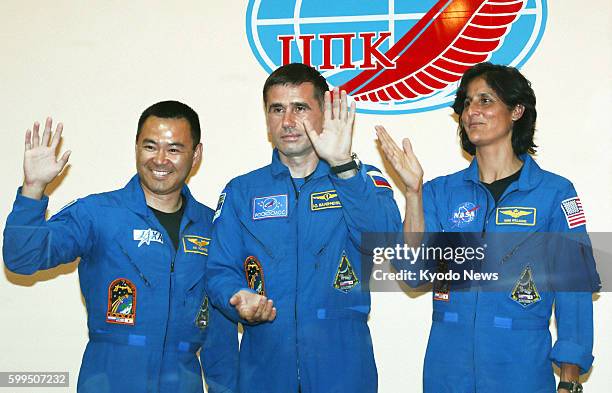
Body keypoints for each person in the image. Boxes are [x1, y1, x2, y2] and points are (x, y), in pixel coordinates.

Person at [376, 63, 599, 393]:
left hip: (521, 367)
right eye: (467, 103)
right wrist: (412, 193)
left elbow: (574, 289)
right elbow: (413, 271)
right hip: (447, 369)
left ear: (517, 111)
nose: (472, 112)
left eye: (485, 100)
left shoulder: (553, 193)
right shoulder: (440, 192)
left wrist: (568, 382)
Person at [3, 101, 238, 393]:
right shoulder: (97, 213)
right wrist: (33, 189)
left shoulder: (213, 227)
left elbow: (220, 337)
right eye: (150, 146)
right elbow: (22, 258)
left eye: (174, 149)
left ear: (196, 154)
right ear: (136, 147)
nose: (160, 159)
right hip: (109, 380)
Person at [205, 63, 401, 393]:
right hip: (264, 371)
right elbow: (219, 270)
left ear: (323, 113)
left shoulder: (361, 180)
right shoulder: (242, 191)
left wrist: (343, 167)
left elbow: (386, 244)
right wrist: (239, 297)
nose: (288, 122)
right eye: (277, 109)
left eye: (300, 108)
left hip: (343, 371)